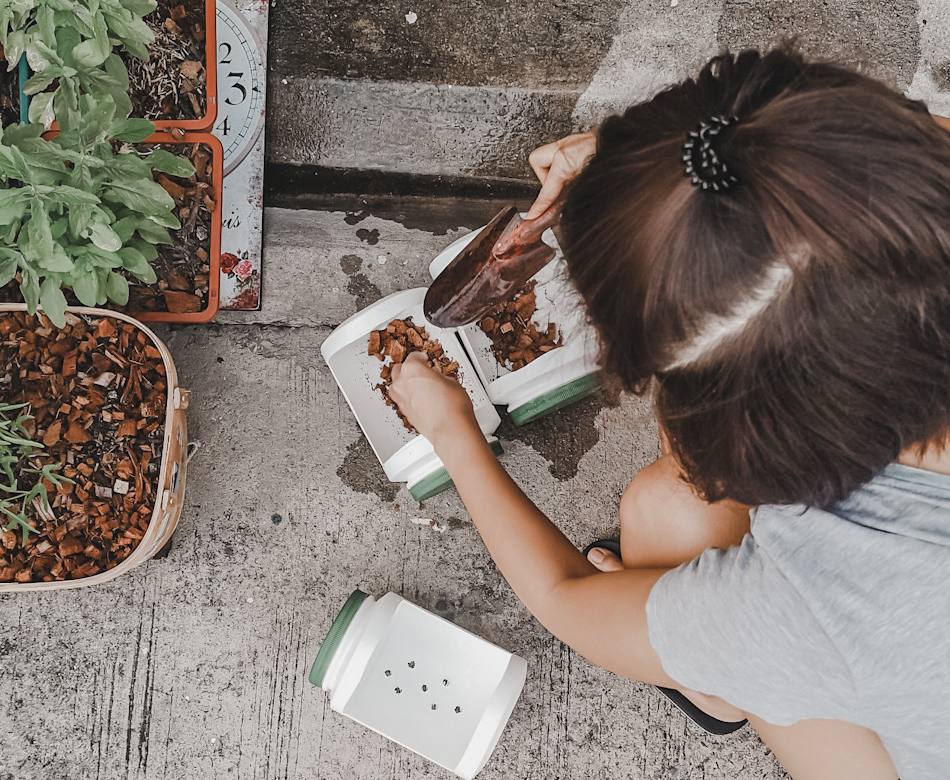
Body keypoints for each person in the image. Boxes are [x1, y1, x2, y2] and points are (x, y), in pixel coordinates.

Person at [387, 46, 950, 780]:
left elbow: (570, 595)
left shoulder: (821, 604)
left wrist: (452, 433)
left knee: (667, 512)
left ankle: (720, 682)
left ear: (750, 446)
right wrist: (653, 177)